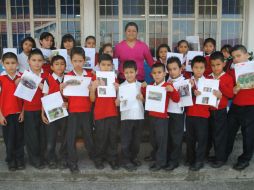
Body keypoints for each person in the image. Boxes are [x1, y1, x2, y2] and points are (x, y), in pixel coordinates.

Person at [60, 47, 95, 173]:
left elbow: (93, 97)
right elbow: (66, 97)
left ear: (84, 60)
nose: (78, 63)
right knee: (71, 137)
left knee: (88, 135)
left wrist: (93, 87)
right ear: (71, 61)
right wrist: (62, 89)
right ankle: (72, 161)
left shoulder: (90, 75)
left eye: (80, 61)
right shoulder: (68, 76)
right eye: (75, 61)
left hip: (86, 111)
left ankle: (93, 154)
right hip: (73, 111)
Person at [142, 63, 180, 171]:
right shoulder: (151, 85)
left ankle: (161, 163)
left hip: (162, 119)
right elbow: (145, 97)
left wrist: (172, 91)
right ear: (151, 74)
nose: (157, 75)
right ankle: (157, 159)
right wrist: (143, 88)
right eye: (154, 73)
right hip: (151, 117)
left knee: (161, 141)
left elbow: (177, 99)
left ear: (164, 73)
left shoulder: (168, 86)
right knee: (153, 140)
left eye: (159, 72)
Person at [226, 45, 254, 170]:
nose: (236, 59)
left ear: (247, 55)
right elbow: (229, 92)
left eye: (238, 56)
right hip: (235, 106)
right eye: (233, 57)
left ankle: (245, 159)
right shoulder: (232, 72)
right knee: (229, 132)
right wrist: (233, 90)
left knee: (248, 134)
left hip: (251, 107)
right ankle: (223, 155)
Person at [89, 54, 119, 170]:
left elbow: (119, 99)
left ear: (112, 66)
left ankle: (112, 158)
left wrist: (118, 90)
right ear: (98, 66)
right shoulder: (94, 79)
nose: (106, 67)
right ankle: (98, 159)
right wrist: (93, 88)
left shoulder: (115, 78)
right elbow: (92, 99)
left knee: (112, 137)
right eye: (103, 65)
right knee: (100, 137)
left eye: (108, 65)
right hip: (100, 113)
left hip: (112, 112)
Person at [116, 60, 144, 171]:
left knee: (136, 141)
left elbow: (147, 100)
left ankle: (133, 157)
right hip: (126, 117)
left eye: (131, 72)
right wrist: (117, 102)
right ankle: (126, 160)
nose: (129, 74)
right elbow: (118, 101)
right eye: (126, 72)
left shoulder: (141, 85)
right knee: (126, 140)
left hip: (139, 116)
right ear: (123, 73)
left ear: (136, 72)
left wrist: (142, 98)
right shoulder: (121, 87)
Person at [23, 49, 49, 169]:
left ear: (43, 61)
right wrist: (22, 111)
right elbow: (21, 96)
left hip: (43, 110)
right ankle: (35, 159)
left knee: (43, 135)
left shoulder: (46, 75)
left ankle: (43, 157)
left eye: (39, 60)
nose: (37, 63)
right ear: (28, 61)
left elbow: (50, 92)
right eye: (34, 60)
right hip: (29, 110)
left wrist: (42, 85)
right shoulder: (25, 74)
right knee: (32, 136)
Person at [207, 51, 234, 168]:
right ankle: (216, 155)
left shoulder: (228, 78)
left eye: (218, 64)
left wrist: (220, 89)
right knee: (211, 134)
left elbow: (231, 95)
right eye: (213, 65)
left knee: (220, 136)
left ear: (223, 64)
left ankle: (220, 159)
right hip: (209, 111)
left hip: (220, 111)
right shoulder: (208, 77)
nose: (215, 67)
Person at [41, 55, 68, 169]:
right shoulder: (47, 79)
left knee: (65, 137)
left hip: (65, 113)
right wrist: (42, 114)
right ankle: (50, 158)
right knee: (51, 138)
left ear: (65, 66)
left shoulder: (68, 79)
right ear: (51, 67)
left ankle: (63, 158)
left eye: (62, 64)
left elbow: (71, 97)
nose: (59, 66)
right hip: (51, 113)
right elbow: (44, 96)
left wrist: (68, 104)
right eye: (56, 64)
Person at [0, 52, 24, 171]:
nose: (10, 66)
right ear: (2, 64)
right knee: (9, 139)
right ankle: (11, 160)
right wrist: (0, 115)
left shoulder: (22, 77)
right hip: (6, 115)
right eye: (7, 63)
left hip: (19, 113)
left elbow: (26, 98)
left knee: (20, 138)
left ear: (17, 64)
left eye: (13, 63)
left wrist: (23, 112)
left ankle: (20, 159)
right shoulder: (1, 79)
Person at [185, 56, 210, 171]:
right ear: (192, 68)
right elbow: (182, 98)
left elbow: (213, 100)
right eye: (196, 67)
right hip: (190, 114)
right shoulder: (187, 82)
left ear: (205, 68)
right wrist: (190, 89)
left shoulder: (209, 82)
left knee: (202, 139)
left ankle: (199, 160)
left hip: (203, 115)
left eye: (201, 67)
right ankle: (190, 158)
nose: (199, 70)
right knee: (190, 138)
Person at [165, 57, 185, 171]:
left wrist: (173, 91)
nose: (172, 71)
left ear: (180, 69)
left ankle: (174, 161)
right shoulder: (167, 80)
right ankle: (167, 158)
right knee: (167, 137)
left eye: (175, 69)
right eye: (170, 69)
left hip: (177, 113)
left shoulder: (184, 82)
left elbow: (181, 100)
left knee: (176, 138)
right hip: (166, 113)